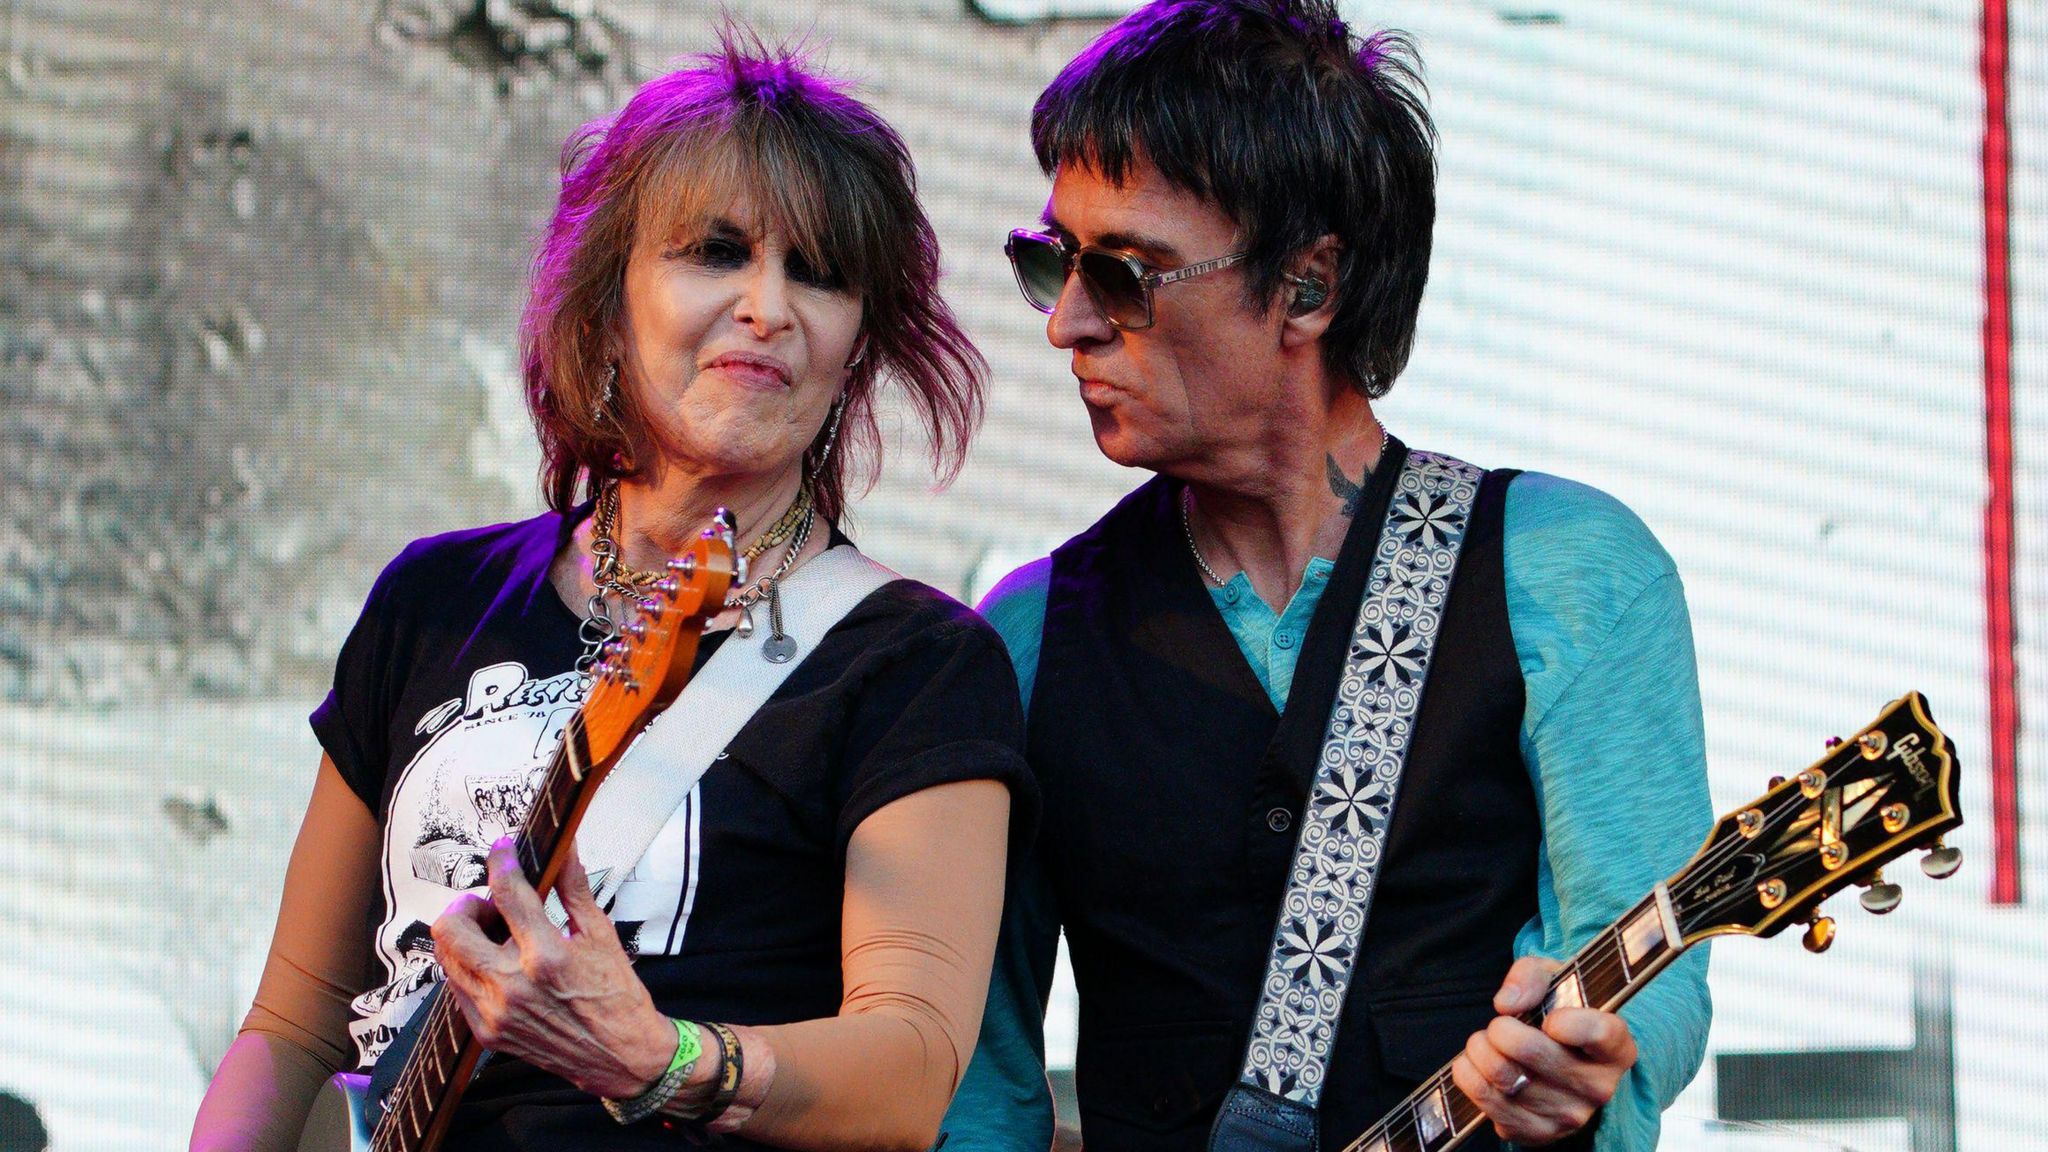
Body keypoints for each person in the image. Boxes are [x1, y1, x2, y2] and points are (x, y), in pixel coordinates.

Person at [191, 31, 1032, 1152]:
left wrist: (665, 1060)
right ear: (605, 299)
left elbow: (910, 1068)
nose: (767, 306)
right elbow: (290, 1028)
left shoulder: (914, 663)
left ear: (857, 346)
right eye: (716, 252)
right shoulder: (431, 598)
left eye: (817, 273)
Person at [942, 2, 1711, 1150]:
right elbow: (977, 1087)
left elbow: (1649, 965)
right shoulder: (1028, 633)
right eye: (1051, 262)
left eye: (1125, 273)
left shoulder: (1567, 573)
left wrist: (1589, 1066)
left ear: (1308, 288)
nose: (1065, 324)